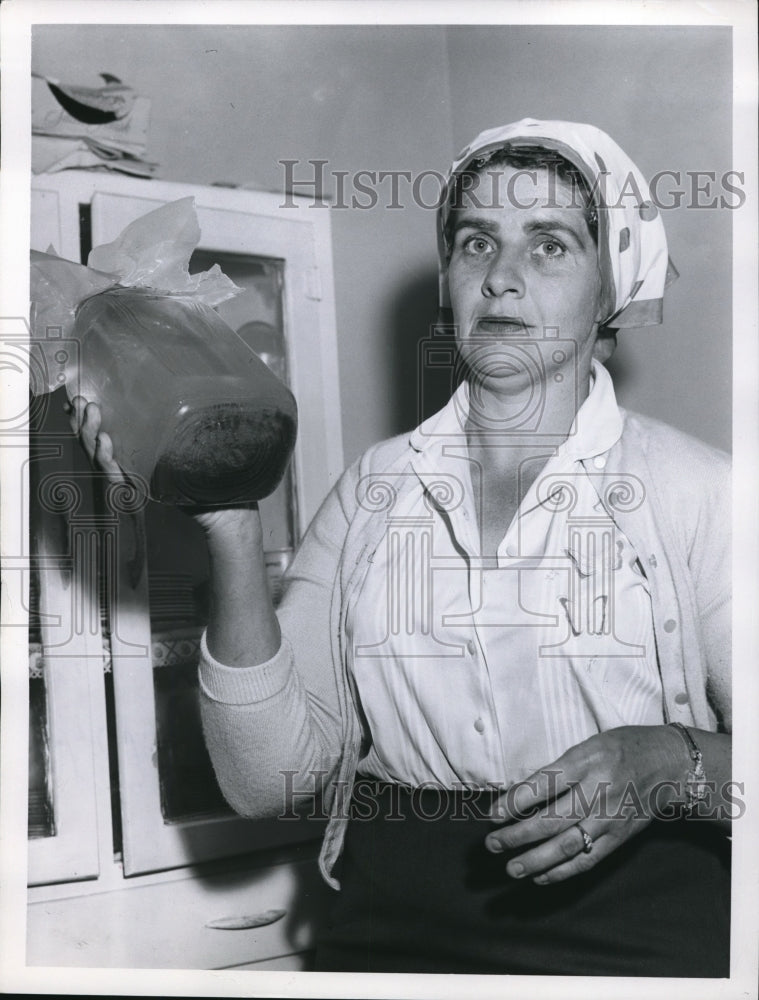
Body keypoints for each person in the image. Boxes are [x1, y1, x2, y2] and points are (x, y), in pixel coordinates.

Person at [72, 119, 732, 977]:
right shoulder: (371, 492)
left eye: (549, 245)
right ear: (449, 280)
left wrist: (671, 761)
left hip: (642, 927)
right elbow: (267, 782)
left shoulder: (697, 493)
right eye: (475, 242)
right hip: (392, 927)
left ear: (609, 288)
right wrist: (228, 520)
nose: (500, 276)